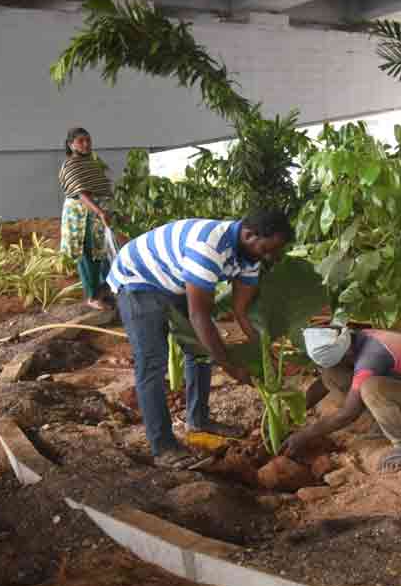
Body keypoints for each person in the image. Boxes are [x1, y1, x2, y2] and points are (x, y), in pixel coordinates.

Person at [108, 211, 292, 469]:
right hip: (138, 278)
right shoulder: (209, 246)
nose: (270, 256)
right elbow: (199, 316)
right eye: (267, 249)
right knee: (152, 361)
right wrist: (230, 367)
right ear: (249, 235)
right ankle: (163, 447)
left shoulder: (251, 254)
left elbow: (240, 311)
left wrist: (264, 353)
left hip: (176, 279)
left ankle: (199, 420)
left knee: (200, 351)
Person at [282, 326, 401, 472]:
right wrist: (297, 410)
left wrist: (305, 435)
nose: (339, 365)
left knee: (370, 389)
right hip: (400, 381)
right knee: (332, 375)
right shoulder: (353, 339)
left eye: (340, 361)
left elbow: (348, 413)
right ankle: (384, 423)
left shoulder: (371, 357)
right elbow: (323, 383)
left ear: (347, 354)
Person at [59, 127, 115, 310]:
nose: (86, 144)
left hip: (97, 214)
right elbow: (81, 193)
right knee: (88, 256)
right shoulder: (70, 165)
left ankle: (104, 290)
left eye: (88, 140)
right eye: (81, 141)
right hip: (81, 216)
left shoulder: (92, 163)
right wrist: (100, 212)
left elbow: (103, 188)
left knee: (103, 253)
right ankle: (92, 297)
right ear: (70, 144)